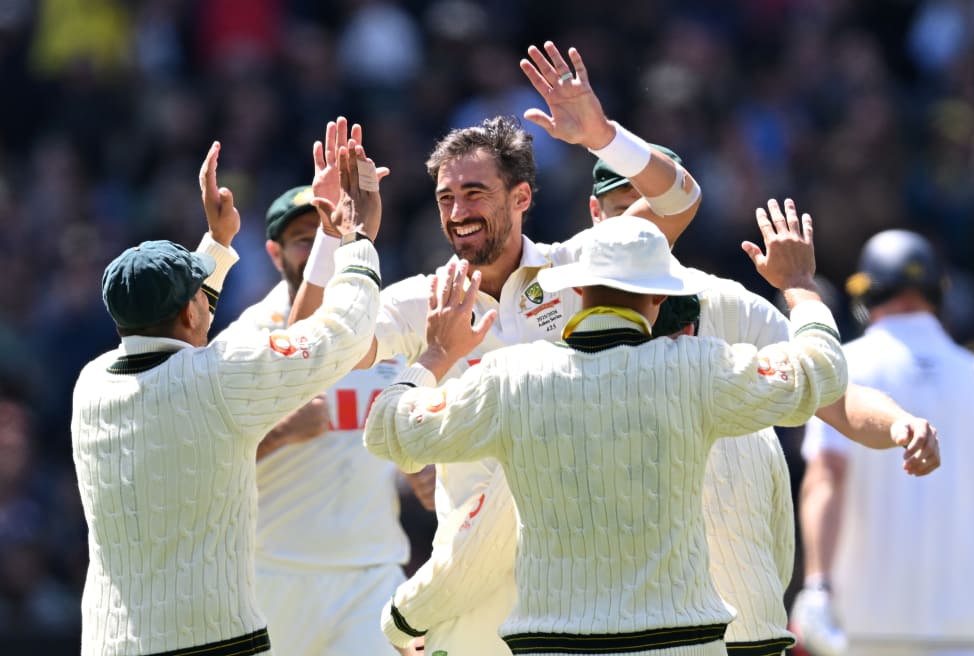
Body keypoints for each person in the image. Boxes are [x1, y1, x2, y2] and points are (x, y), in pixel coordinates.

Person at [277, 40, 704, 656]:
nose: (458, 212)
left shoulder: (581, 270)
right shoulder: (425, 300)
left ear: (521, 197)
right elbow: (308, 351)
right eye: (446, 198)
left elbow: (680, 199)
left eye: (475, 193)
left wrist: (604, 137)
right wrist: (333, 234)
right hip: (471, 581)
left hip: (582, 570)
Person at [364, 210, 848, 656]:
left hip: (556, 646)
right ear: (659, 297)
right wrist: (800, 287)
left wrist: (435, 354)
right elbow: (823, 372)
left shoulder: (511, 378)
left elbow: (389, 431)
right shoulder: (700, 371)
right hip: (677, 644)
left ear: (576, 289)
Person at [591, 153, 941, 656]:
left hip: (738, 612)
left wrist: (899, 424)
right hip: (613, 617)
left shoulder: (724, 304)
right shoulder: (553, 304)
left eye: (653, 211)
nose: (639, 230)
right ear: (594, 214)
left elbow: (834, 393)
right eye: (624, 211)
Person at [70, 139, 383, 655]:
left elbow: (176, 325)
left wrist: (217, 244)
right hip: (212, 642)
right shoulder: (220, 379)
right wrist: (357, 238)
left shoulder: (91, 384)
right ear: (190, 310)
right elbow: (345, 332)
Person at [218, 117, 432, 656]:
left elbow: (404, 436)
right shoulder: (248, 337)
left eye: (328, 234)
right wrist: (281, 432)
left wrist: (426, 468)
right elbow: (207, 458)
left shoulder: (387, 326)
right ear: (275, 254)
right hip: (275, 574)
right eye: (304, 241)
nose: (321, 250)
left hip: (371, 573)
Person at [791, 229, 974, 656]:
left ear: (865, 293)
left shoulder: (843, 369)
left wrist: (817, 588)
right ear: (938, 293)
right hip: (969, 634)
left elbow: (826, 478)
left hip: (862, 632)